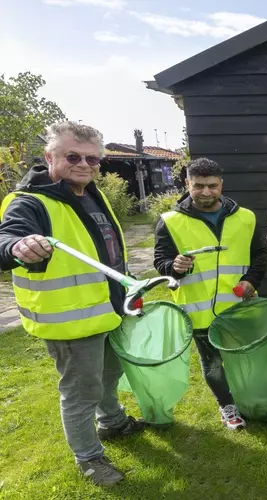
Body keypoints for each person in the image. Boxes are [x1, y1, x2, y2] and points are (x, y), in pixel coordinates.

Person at [0, 121, 146, 486]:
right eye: (73, 156)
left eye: (93, 159)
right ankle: (89, 458)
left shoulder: (91, 192)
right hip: (70, 318)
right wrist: (18, 247)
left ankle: (112, 422)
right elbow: (9, 238)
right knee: (81, 392)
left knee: (110, 374)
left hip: (110, 309)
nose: (85, 164)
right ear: (50, 157)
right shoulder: (30, 202)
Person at [154, 157, 267, 430]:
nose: (206, 192)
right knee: (213, 364)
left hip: (239, 305)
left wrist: (251, 280)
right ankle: (227, 405)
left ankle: (250, 398)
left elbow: (261, 255)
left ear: (221, 185)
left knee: (246, 357)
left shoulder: (246, 217)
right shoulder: (169, 222)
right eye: (199, 186)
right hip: (199, 308)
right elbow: (161, 262)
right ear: (187, 184)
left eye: (212, 186)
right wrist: (174, 267)